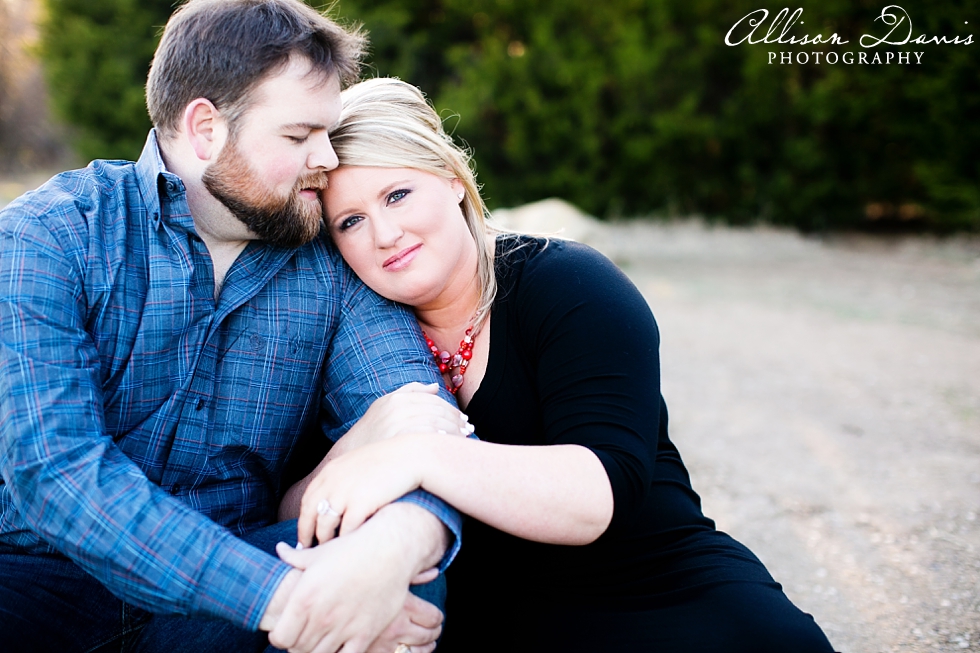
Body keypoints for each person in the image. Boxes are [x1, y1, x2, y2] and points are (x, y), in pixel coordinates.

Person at [285, 77, 838, 653]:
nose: (385, 233)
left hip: (658, 585)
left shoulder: (566, 282)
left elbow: (600, 493)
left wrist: (416, 454)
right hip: (490, 619)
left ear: (452, 180)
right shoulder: (350, 338)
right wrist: (364, 444)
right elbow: (289, 504)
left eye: (397, 194)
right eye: (350, 221)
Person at [0, 3, 469, 652]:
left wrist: (398, 547)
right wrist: (282, 598)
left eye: (328, 133)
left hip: (224, 599)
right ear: (205, 129)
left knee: (400, 575)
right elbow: (59, 474)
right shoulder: (51, 236)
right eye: (299, 136)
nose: (327, 159)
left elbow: (420, 415)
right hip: (43, 582)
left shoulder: (329, 266)